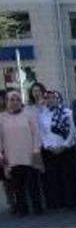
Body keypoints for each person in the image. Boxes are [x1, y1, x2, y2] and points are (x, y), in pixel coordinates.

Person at [38, 89, 76, 211]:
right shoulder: (42, 114)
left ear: (59, 98)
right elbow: (42, 133)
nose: (51, 100)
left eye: (53, 97)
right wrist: (48, 146)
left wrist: (64, 145)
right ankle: (58, 203)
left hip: (66, 149)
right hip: (50, 150)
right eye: (48, 98)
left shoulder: (67, 112)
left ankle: (71, 203)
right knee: (54, 178)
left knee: (68, 177)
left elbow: (72, 131)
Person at [0, 89, 44, 217]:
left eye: (17, 99)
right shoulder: (1, 117)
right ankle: (22, 209)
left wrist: (36, 150)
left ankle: (37, 208)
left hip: (30, 155)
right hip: (12, 157)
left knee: (33, 184)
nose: (15, 102)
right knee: (17, 186)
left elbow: (36, 133)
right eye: (11, 100)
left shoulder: (29, 114)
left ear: (21, 101)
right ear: (6, 102)